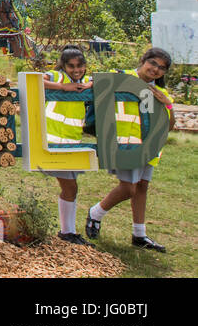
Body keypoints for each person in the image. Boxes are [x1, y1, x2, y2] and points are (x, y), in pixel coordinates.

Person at [85, 48, 175, 251]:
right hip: (125, 143)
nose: (155, 69)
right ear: (144, 60)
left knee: (142, 187)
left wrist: (168, 104)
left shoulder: (160, 92)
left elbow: (169, 126)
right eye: (153, 63)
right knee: (128, 188)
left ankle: (139, 235)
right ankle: (95, 213)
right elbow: (97, 86)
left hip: (149, 148)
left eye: (161, 68)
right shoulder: (122, 77)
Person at [40, 46, 93, 244]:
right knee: (70, 186)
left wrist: (88, 84)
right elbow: (38, 80)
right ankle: (67, 232)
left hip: (70, 142)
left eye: (80, 66)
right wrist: (64, 88)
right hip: (56, 142)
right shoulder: (58, 77)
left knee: (72, 187)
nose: (76, 70)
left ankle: (69, 231)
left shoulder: (82, 82)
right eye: (71, 66)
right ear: (64, 66)